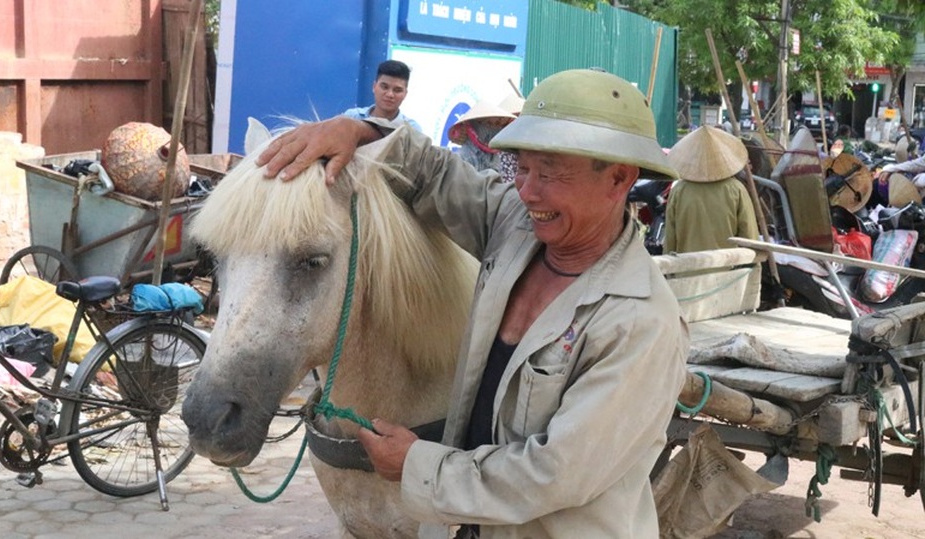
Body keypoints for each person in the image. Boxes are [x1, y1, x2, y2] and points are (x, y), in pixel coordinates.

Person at [257, 69, 688, 539]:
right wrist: (360, 130)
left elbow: (553, 472)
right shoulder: (517, 227)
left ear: (618, 179)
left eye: (548, 173)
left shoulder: (641, 320)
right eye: (521, 168)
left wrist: (418, 466)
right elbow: (437, 176)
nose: (527, 191)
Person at [664, 125, 760, 253]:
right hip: (727, 269)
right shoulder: (736, 189)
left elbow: (670, 238)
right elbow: (749, 237)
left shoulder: (679, 190)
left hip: (686, 268)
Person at [343, 59, 423, 133]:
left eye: (397, 90)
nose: (390, 94)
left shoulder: (412, 130)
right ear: (374, 87)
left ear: (405, 94)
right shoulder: (352, 118)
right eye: (384, 87)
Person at [447, 100, 516, 173]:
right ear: (475, 126)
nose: (495, 128)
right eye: (488, 124)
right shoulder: (463, 158)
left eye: (497, 124)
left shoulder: (494, 154)